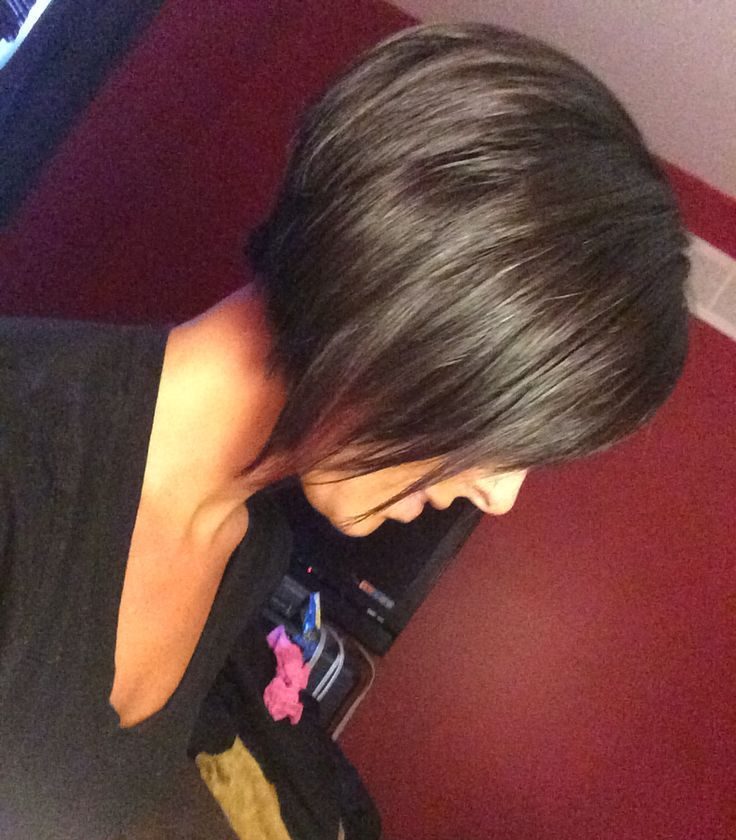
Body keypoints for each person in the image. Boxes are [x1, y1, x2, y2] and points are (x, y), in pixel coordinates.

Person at [0, 21, 688, 840]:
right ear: (404, 295)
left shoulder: (249, 557)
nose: (501, 495)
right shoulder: (20, 458)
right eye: (511, 427)